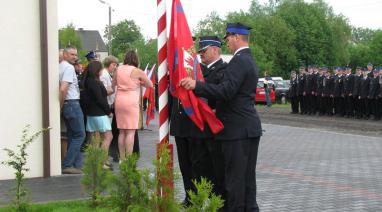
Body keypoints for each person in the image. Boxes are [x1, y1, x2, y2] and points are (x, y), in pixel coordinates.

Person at [181, 22, 262, 211]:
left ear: (236, 37)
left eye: (228, 39)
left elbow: (227, 91)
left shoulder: (239, 60)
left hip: (237, 131)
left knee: (235, 182)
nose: (227, 43)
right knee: (246, 180)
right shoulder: (247, 59)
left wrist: (197, 86)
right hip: (246, 128)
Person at [170, 35, 227, 205]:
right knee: (186, 165)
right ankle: (190, 197)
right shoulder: (194, 69)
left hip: (202, 127)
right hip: (183, 124)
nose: (200, 53)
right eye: (199, 51)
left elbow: (220, 96)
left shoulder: (222, 70)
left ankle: (204, 197)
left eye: (203, 50)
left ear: (215, 49)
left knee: (202, 166)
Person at [113, 50, 153, 160]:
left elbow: (113, 84)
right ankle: (129, 159)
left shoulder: (118, 69)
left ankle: (121, 158)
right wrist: (141, 82)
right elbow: (150, 84)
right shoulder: (137, 71)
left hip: (119, 99)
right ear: (136, 59)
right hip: (131, 101)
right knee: (130, 131)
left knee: (121, 131)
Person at [59, 46, 86, 174]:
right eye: (71, 54)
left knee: (72, 135)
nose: (74, 57)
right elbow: (63, 88)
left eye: (75, 54)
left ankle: (76, 164)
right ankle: (68, 165)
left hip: (68, 104)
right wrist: (61, 104)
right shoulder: (69, 68)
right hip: (72, 103)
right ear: (64, 54)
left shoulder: (60, 66)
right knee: (80, 135)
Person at [83, 61, 113, 168]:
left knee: (95, 139)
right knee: (108, 137)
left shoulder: (87, 81)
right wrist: (108, 111)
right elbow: (100, 99)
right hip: (99, 113)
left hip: (91, 114)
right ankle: (102, 161)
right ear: (97, 70)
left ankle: (95, 161)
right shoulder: (95, 82)